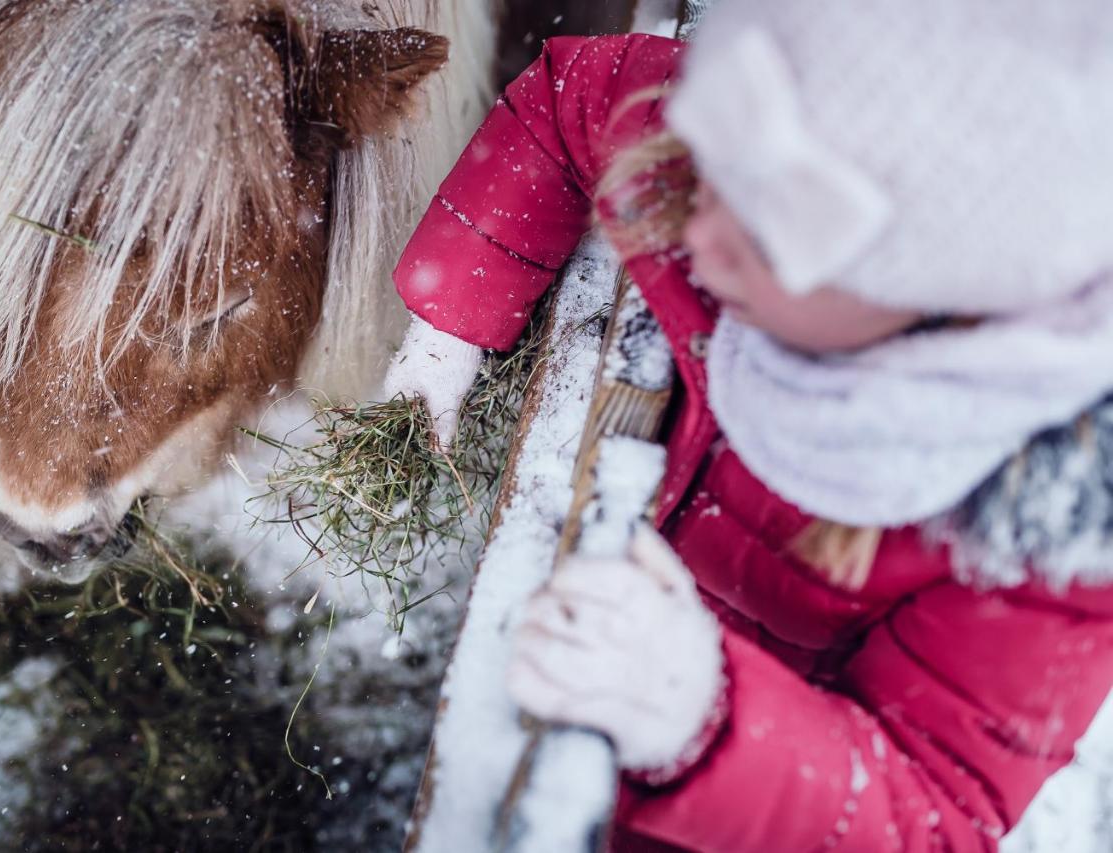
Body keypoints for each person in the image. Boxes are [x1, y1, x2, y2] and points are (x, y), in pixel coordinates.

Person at [383, 1, 1113, 850]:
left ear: (948, 304)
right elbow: (569, 96)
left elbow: (933, 811)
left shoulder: (1041, 548)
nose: (697, 231)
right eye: (709, 169)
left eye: (768, 237)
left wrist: (703, 719)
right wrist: (450, 323)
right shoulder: (749, 170)